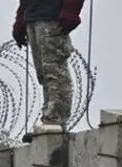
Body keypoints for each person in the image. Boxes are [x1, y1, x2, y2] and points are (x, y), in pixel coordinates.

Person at [12, 0, 84, 134]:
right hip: (33, 18)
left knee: (54, 70)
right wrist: (20, 21)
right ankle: (49, 117)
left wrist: (70, 13)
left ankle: (56, 120)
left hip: (52, 18)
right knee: (44, 73)